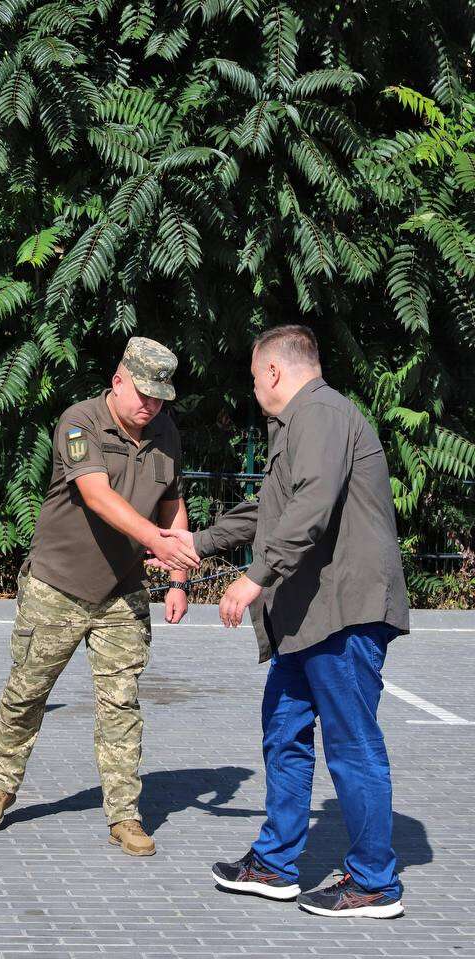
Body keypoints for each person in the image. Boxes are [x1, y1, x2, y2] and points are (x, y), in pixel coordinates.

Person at [154, 324, 410, 917]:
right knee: (284, 730)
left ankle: (374, 881)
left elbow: (311, 510)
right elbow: (272, 507)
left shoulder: (322, 415)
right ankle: (274, 864)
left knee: (352, 744)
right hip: (309, 616)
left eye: (252, 375)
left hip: (343, 613)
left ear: (272, 371)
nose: (253, 386)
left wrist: (253, 578)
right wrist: (199, 540)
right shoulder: (298, 424)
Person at [0, 337, 200, 857]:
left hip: (122, 593)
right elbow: (97, 495)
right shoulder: (80, 422)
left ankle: (124, 815)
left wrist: (178, 576)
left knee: (121, 704)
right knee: (28, 691)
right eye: (143, 393)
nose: (151, 406)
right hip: (58, 585)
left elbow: (172, 504)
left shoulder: (166, 433)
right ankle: (1, 785)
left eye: (160, 397)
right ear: (118, 380)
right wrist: (155, 541)